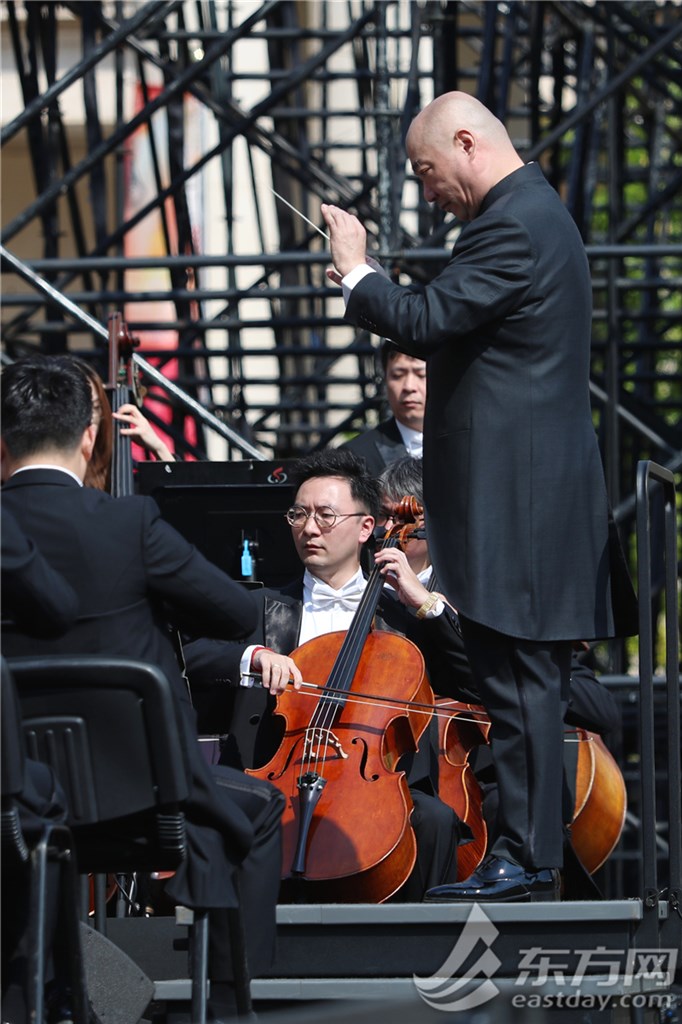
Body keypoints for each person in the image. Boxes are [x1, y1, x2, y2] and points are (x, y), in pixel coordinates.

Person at [321, 90, 637, 903]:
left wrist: (357, 270)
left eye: (427, 170)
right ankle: (522, 853)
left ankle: (526, 856)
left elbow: (427, 318)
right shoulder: (528, 215)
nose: (427, 191)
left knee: (521, 681)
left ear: (467, 142)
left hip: (523, 504)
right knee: (512, 679)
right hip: (523, 500)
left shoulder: (514, 221)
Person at [0, 354, 284, 1020]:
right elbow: (241, 614)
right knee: (260, 809)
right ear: (91, 437)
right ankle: (232, 1000)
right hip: (141, 797)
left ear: (2, 442)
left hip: (14, 799)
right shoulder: (129, 526)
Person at [184, 448, 468, 901]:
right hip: (276, 780)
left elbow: (473, 677)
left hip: (376, 787)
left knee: (434, 821)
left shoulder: (403, 614)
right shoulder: (261, 606)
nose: (309, 528)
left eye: (325, 515)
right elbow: (188, 655)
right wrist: (253, 656)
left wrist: (428, 605)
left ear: (366, 527)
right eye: (298, 514)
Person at [339, 341, 426, 474]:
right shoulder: (356, 456)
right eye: (397, 375)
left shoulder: (465, 445)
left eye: (421, 375)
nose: (409, 386)